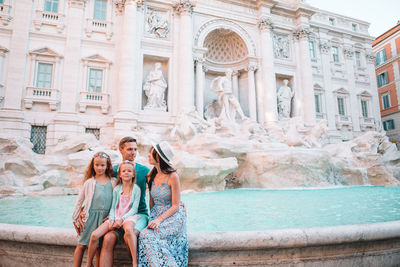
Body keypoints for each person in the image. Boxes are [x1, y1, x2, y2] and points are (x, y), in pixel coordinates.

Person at [97, 137, 150, 267]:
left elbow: (161, 188)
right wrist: (83, 210)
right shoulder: (113, 171)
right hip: (117, 217)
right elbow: (98, 190)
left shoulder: (145, 171)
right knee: (108, 239)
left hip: (138, 215)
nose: (133, 152)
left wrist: (176, 203)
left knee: (130, 235)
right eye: (129, 149)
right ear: (121, 150)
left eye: (135, 149)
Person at [138, 141, 188, 266]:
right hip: (156, 214)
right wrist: (152, 219)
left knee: (147, 236)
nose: (148, 155)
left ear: (158, 157)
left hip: (173, 216)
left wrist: (159, 220)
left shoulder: (173, 176)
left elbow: (176, 205)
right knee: (146, 236)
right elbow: (151, 202)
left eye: (151, 153)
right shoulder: (150, 176)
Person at [85, 160, 141, 267]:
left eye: (129, 171)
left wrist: (121, 219)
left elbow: (134, 209)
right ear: (119, 174)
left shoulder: (136, 189)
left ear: (133, 174)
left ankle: (134, 262)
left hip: (129, 217)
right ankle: (88, 263)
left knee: (129, 230)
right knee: (94, 235)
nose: (126, 173)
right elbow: (113, 207)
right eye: (123, 171)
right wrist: (111, 219)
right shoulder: (116, 189)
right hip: (115, 216)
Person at [72, 152, 117, 267]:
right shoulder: (89, 182)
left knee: (98, 248)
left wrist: (113, 216)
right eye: (96, 165)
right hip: (90, 217)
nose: (99, 168)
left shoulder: (113, 182)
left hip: (104, 219)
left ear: (107, 166)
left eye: (102, 165)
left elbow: (117, 201)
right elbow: (79, 201)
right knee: (81, 245)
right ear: (93, 165)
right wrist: (75, 218)